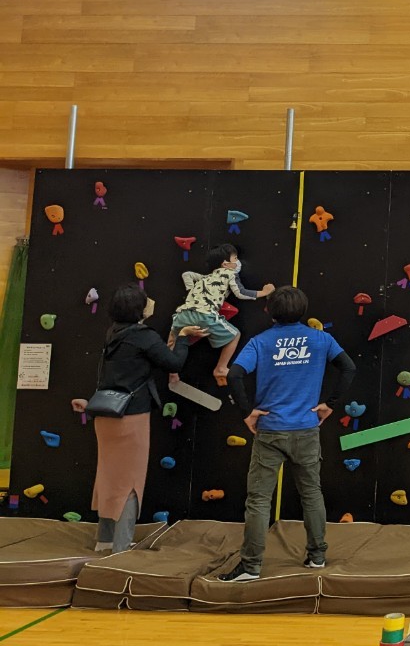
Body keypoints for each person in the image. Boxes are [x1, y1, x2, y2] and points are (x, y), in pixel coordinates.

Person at [218, 286, 356, 582]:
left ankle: (251, 567)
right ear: (304, 310)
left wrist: (247, 412)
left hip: (270, 431)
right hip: (306, 429)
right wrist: (329, 405)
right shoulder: (321, 339)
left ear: (269, 311)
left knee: (258, 500)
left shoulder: (261, 342)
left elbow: (234, 374)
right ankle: (317, 557)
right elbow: (348, 367)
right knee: (311, 494)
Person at [73, 285, 207, 552]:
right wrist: (182, 337)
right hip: (130, 417)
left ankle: (105, 539)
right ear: (139, 310)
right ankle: (121, 547)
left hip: (105, 415)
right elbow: (173, 363)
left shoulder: (113, 333)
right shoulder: (143, 336)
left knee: (109, 476)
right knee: (130, 482)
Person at [169, 244, 274, 382]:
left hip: (183, 313)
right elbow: (241, 293)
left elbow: (186, 274)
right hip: (205, 314)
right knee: (235, 335)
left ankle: (172, 372)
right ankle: (221, 368)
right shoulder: (230, 274)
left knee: (172, 339)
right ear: (225, 264)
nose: (237, 262)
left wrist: (191, 290)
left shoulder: (205, 277)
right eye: (235, 258)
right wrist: (264, 292)